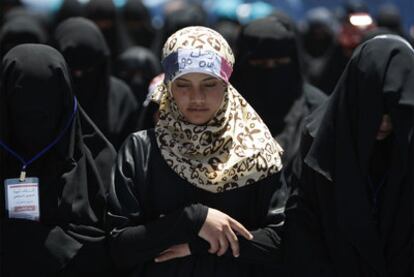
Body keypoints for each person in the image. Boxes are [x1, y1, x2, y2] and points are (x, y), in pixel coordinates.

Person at [107, 26, 287, 277]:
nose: (197, 98)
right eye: (183, 85)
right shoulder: (141, 150)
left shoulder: (256, 150)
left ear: (226, 85)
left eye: (209, 84)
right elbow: (119, 246)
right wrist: (191, 219)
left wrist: (200, 244)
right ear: (168, 87)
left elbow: (279, 242)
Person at [283, 35, 414, 276]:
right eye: (374, 108)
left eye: (393, 110)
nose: (384, 121)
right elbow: (302, 225)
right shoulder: (320, 140)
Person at [0, 44, 116, 276]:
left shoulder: (100, 161)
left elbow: (113, 246)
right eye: (21, 101)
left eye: (46, 102)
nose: (34, 116)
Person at [231, 16, 327, 165]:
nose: (270, 72)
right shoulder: (223, 111)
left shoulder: (317, 110)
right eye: (260, 64)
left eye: (279, 63)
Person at [54, 17, 139, 149]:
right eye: (72, 69)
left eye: (88, 69)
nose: (80, 75)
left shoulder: (121, 97)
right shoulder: (47, 96)